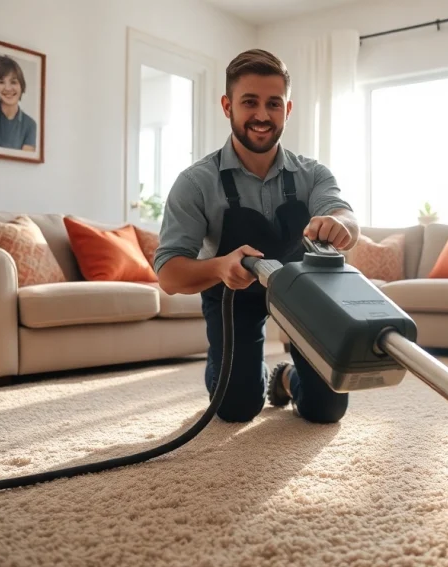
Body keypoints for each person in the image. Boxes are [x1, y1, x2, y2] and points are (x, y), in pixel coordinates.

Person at [154, 49, 360, 424]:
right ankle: (230, 377)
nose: (262, 116)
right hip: (232, 296)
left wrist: (341, 223)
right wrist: (220, 267)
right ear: (227, 105)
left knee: (326, 409)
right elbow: (168, 274)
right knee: (236, 408)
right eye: (250, 102)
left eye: (273, 104)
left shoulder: (312, 174)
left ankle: (286, 377)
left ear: (288, 109)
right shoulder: (195, 183)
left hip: (303, 296)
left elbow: (342, 212)